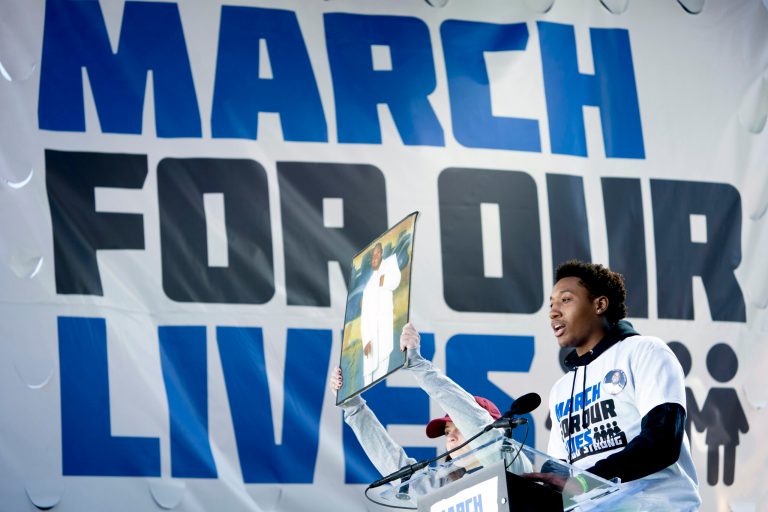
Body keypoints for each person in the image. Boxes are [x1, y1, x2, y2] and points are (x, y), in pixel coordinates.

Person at [528, 260, 700, 509]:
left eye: (565, 300)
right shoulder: (561, 389)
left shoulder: (645, 351)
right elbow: (558, 469)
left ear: (599, 304)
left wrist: (587, 482)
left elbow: (662, 441)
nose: (553, 312)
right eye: (551, 305)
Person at [331, 323, 530, 486]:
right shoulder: (447, 486)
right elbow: (397, 468)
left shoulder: (512, 464)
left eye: (458, 427)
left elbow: (477, 423)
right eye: (446, 432)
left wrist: (417, 364)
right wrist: (353, 407)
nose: (450, 437)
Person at [359, 242, 401, 386]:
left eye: (378, 254)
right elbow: (365, 316)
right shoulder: (368, 286)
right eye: (373, 255)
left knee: (381, 374)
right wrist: (366, 341)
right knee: (367, 382)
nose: (375, 257)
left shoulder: (389, 267)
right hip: (370, 339)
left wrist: (385, 280)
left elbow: (396, 279)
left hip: (383, 335)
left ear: (382, 253)